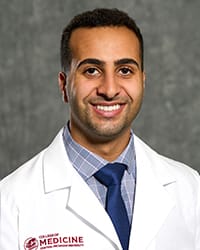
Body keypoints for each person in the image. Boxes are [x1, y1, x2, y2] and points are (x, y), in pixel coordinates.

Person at [0, 8, 199, 250]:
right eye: (91, 70)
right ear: (64, 85)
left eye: (125, 70)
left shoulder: (190, 188)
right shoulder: (10, 202)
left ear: (142, 82)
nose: (110, 89)